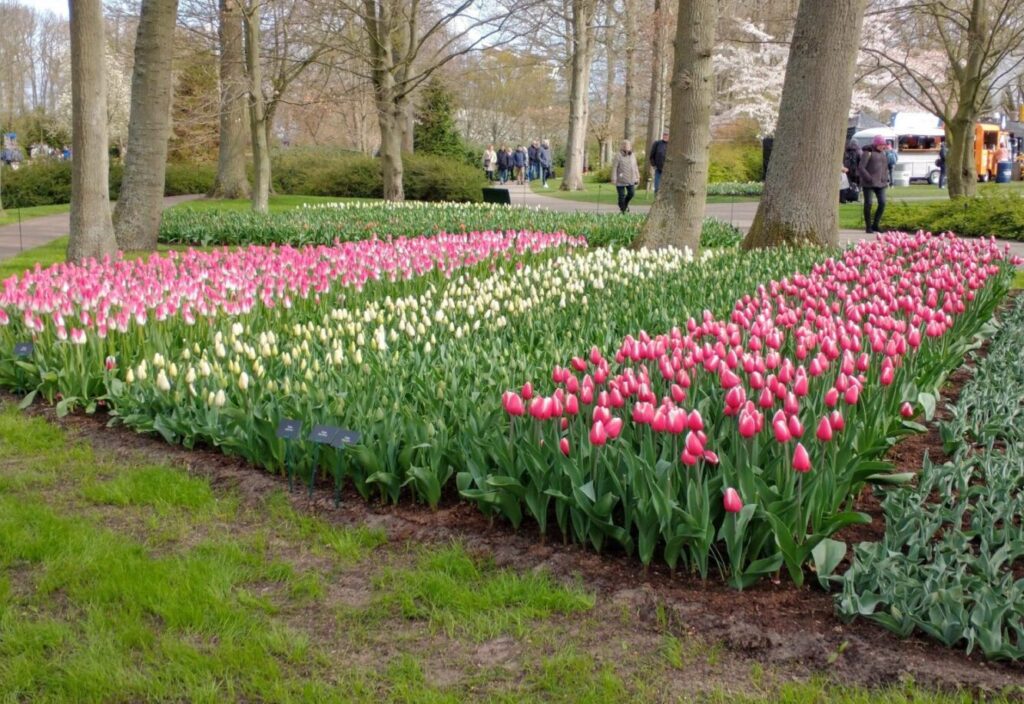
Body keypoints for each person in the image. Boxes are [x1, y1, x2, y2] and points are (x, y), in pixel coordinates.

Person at [858, 134, 890, 234]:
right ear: (876, 144)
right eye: (881, 144)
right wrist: (869, 178)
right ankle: (868, 226)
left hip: (881, 183)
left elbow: (885, 168)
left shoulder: (883, 154)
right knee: (868, 204)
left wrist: (886, 178)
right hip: (869, 183)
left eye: (884, 144)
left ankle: (875, 224)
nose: (883, 146)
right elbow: (861, 167)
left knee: (883, 202)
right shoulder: (867, 153)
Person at [611, 139, 640, 213]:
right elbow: (614, 167)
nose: (626, 146)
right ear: (622, 146)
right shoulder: (618, 155)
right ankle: (623, 210)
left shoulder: (633, 155)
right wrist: (613, 178)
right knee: (621, 196)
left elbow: (635, 166)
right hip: (620, 179)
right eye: (624, 145)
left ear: (630, 146)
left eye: (628, 145)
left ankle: (625, 204)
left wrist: (637, 176)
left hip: (631, 179)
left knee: (631, 193)